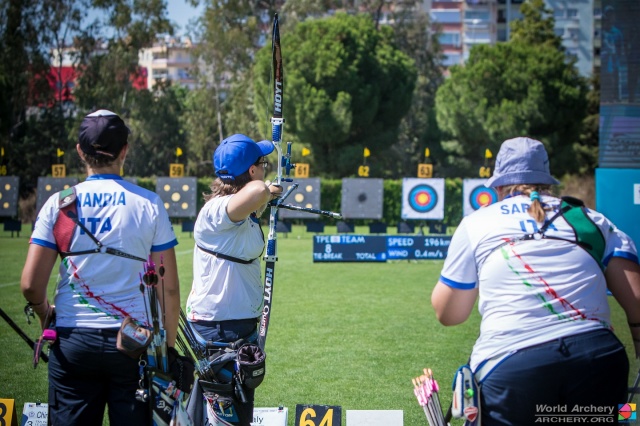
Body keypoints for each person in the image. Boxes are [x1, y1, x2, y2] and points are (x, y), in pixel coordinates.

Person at [431, 137, 640, 424]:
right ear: (547, 181)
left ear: (500, 184)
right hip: (598, 358)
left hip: (514, 366)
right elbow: (637, 300)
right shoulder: (592, 219)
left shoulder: (478, 222)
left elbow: (448, 314)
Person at [21, 109, 181, 426]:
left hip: (73, 341)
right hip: (134, 343)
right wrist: (169, 349)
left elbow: (30, 285)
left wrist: (44, 314)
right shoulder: (148, 202)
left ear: (80, 151)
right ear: (124, 151)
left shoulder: (60, 202)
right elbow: (169, 286)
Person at [185, 133, 282, 425]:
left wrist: (267, 195)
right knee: (227, 415)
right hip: (219, 330)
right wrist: (266, 189)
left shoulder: (237, 213)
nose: (265, 168)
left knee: (233, 410)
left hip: (234, 326)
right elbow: (254, 195)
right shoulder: (216, 211)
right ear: (252, 171)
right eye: (262, 164)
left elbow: (252, 203)